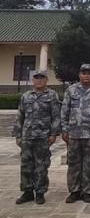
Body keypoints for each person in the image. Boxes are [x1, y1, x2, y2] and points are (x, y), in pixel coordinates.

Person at [61, 63, 90, 203]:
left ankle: (87, 191)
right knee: (74, 164)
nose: (86, 75)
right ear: (79, 74)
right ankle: (74, 191)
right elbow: (65, 111)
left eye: (89, 73)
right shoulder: (71, 90)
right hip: (74, 134)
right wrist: (64, 129)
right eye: (83, 73)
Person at [13, 70, 61, 205]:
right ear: (32, 80)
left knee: (41, 166)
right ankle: (27, 191)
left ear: (46, 80)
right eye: (36, 78)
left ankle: (40, 192)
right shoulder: (26, 96)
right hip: (27, 137)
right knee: (26, 166)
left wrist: (53, 134)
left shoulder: (52, 96)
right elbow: (20, 116)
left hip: (43, 137)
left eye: (42, 78)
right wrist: (18, 135)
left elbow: (56, 116)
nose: (39, 80)